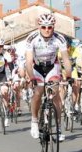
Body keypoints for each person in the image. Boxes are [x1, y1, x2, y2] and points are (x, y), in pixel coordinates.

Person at [25, 12, 72, 140]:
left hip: (52, 67)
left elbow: (66, 59)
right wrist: (32, 77)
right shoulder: (32, 38)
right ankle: (34, 121)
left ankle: (58, 127)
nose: (47, 30)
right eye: (44, 27)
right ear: (39, 27)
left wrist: (68, 76)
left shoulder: (59, 38)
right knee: (38, 92)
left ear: (53, 27)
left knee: (55, 93)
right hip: (37, 68)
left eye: (50, 27)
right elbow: (28, 61)